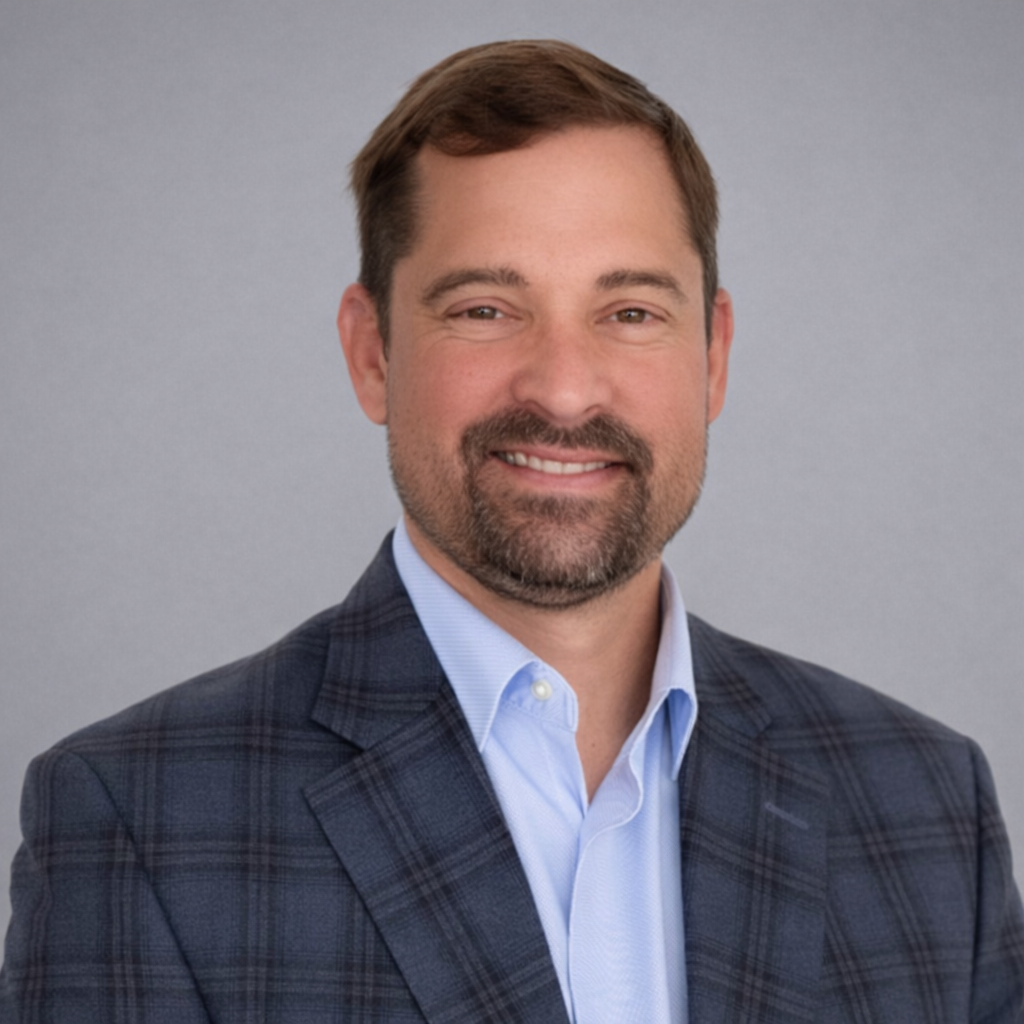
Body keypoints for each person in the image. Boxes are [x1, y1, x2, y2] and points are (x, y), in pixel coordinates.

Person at [2, 39, 1022, 1024]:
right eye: (486, 309)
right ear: (371, 354)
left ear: (710, 358)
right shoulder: (138, 817)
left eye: (628, 312)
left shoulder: (925, 802)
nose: (565, 389)